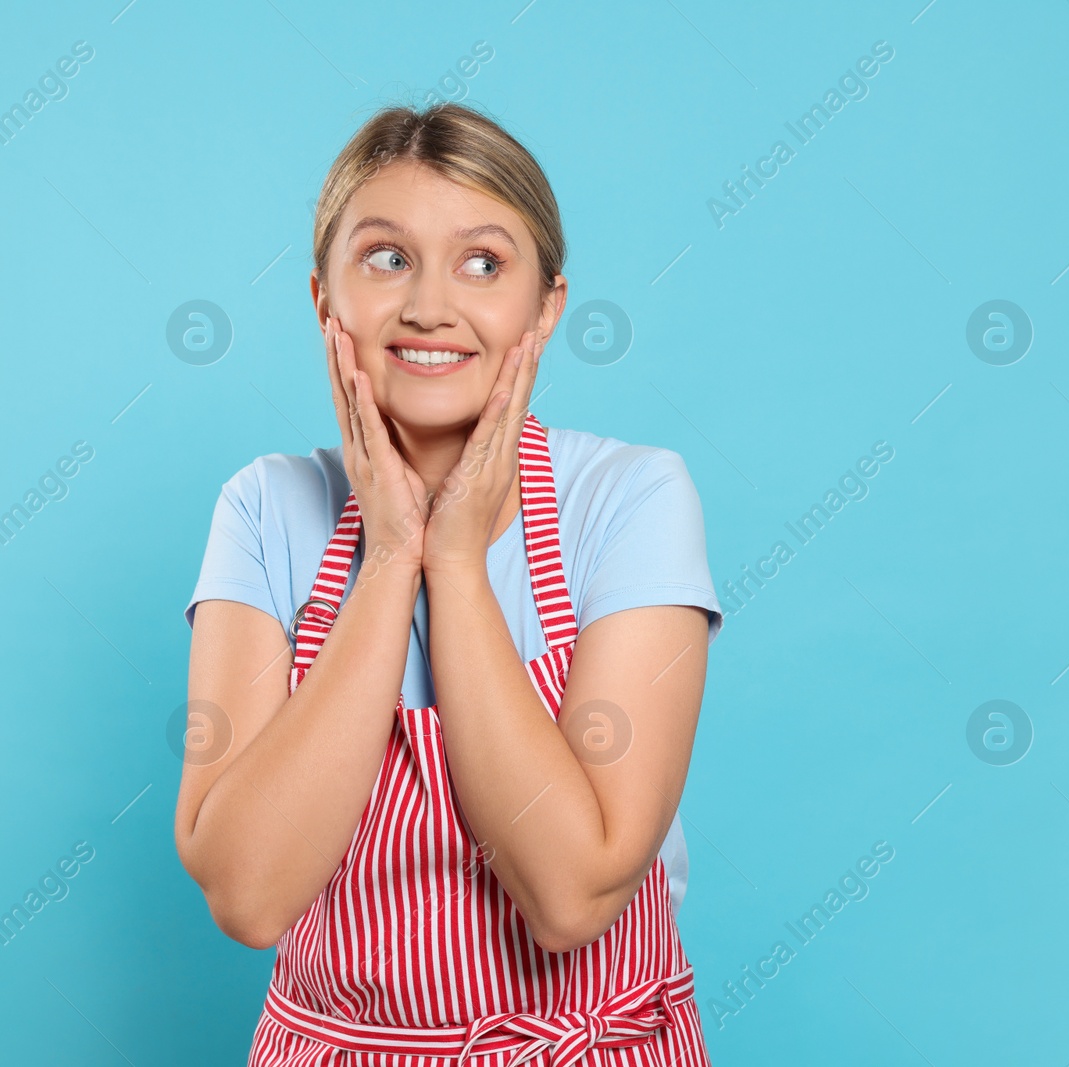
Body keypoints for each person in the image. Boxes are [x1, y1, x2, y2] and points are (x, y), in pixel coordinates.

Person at [173, 101, 721, 1066]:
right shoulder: (264, 510)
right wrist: (390, 557)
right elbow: (249, 893)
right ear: (322, 300)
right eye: (386, 257)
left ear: (547, 306)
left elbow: (570, 894)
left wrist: (457, 561)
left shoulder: (631, 499)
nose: (430, 305)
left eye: (483, 262)